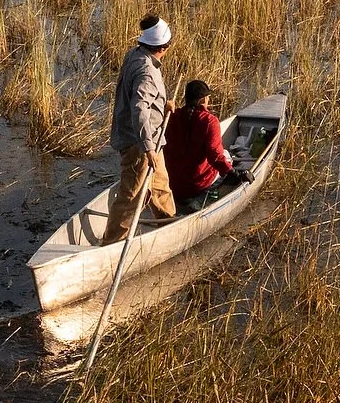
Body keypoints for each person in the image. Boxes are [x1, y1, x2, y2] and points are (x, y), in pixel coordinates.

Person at [103, 15, 177, 242]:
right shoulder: (147, 72)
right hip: (140, 144)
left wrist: (162, 105)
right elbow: (139, 109)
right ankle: (111, 242)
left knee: (160, 186)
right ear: (163, 48)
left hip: (153, 138)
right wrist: (148, 149)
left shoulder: (134, 55)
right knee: (131, 196)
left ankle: (169, 226)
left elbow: (141, 98)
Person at [165, 79, 246, 213]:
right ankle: (201, 197)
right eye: (208, 97)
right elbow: (215, 156)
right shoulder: (209, 121)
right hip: (196, 184)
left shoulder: (172, 116)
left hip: (172, 182)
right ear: (203, 99)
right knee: (226, 156)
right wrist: (234, 173)